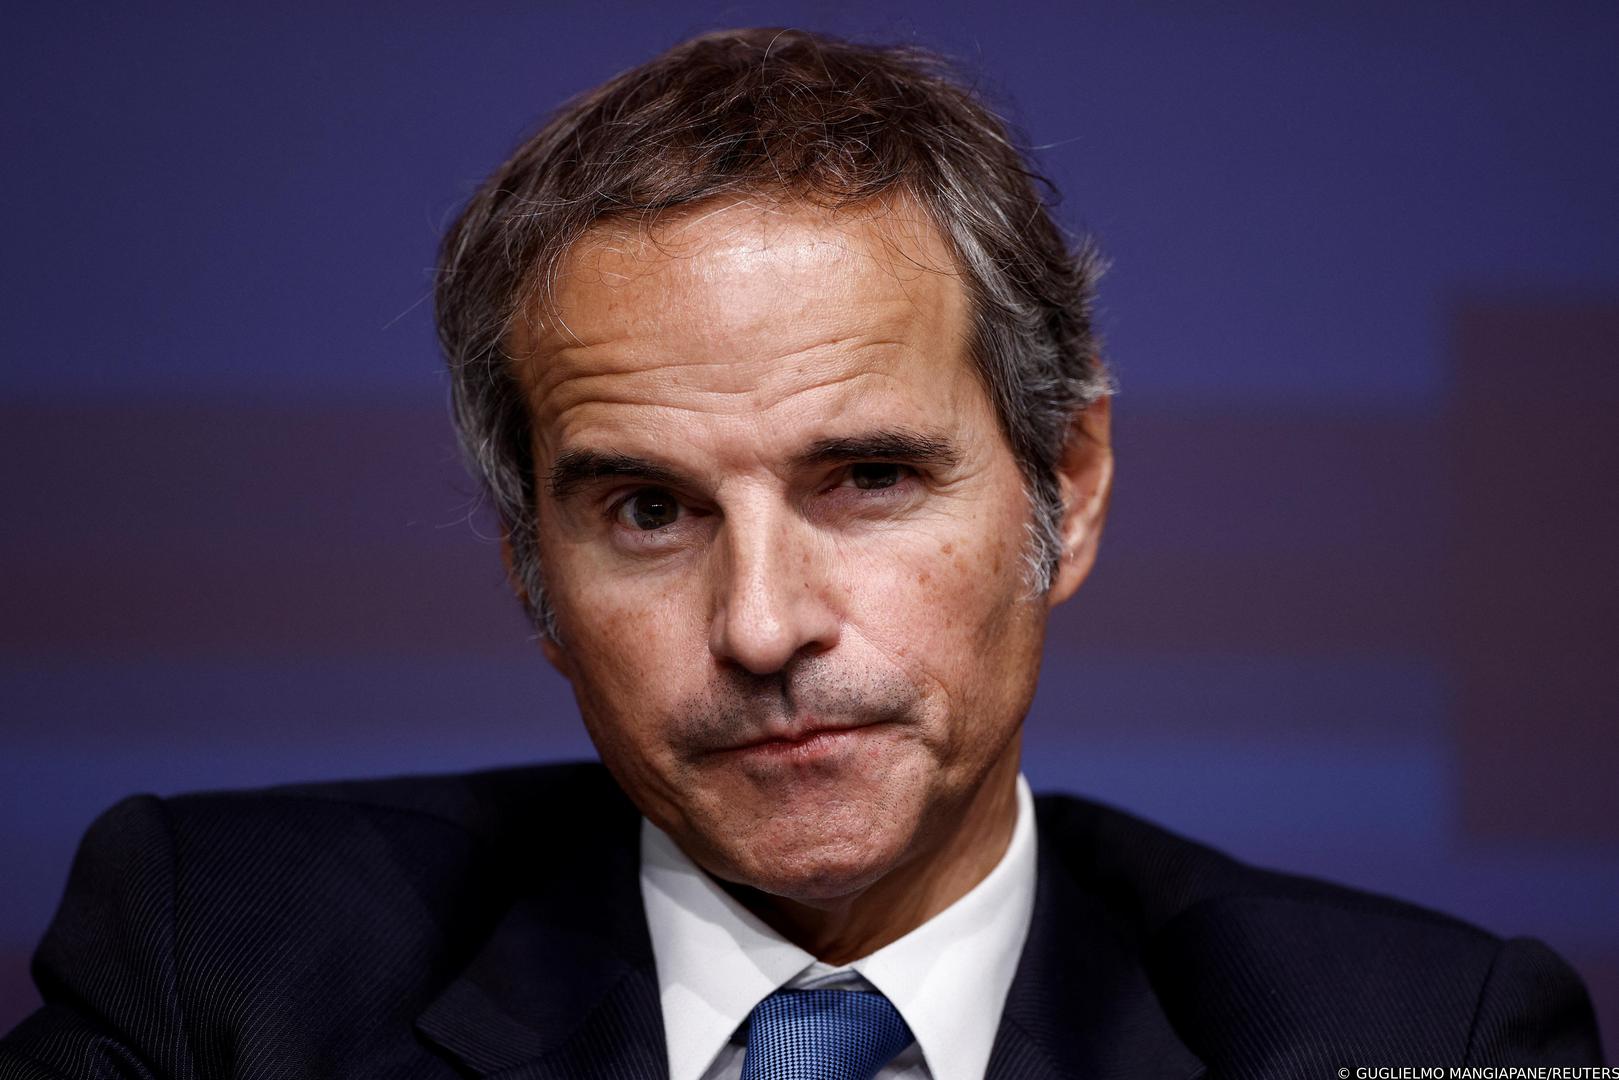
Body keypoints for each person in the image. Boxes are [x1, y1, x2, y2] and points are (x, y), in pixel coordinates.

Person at [0, 27, 1602, 1080]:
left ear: (1069, 486)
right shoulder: (216, 963)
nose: (761, 628)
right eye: (647, 512)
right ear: (530, 573)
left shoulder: (1417, 1035)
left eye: (868, 477)